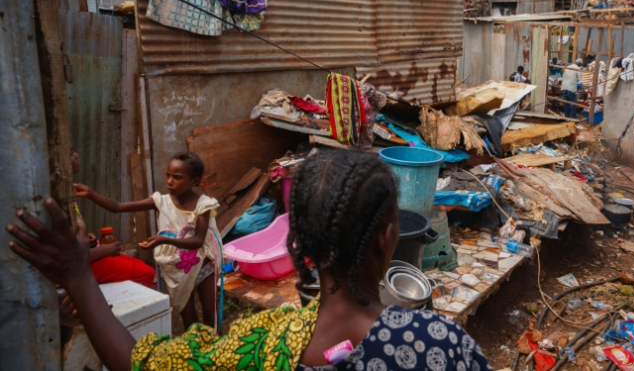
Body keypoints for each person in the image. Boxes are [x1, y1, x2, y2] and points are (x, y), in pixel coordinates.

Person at [8, 150, 493, 371]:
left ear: (295, 243)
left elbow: (140, 360)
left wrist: (77, 276)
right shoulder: (440, 344)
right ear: (388, 239)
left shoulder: (259, 348)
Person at [72, 152, 221, 329]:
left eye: (177, 177)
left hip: (203, 267)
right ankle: (195, 353)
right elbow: (117, 207)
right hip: (176, 270)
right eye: (168, 175)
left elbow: (197, 241)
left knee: (210, 316)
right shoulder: (162, 201)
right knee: (188, 319)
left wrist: (163, 240)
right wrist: (90, 193)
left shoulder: (203, 205)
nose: (170, 181)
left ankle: (214, 352)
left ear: (194, 181)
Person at [70, 151, 155, 289]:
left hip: (84, 257)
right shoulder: (59, 197)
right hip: (77, 265)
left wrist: (85, 238)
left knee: (141, 267)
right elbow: (70, 257)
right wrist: (103, 250)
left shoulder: (69, 192)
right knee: (146, 273)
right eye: (69, 153)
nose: (76, 155)